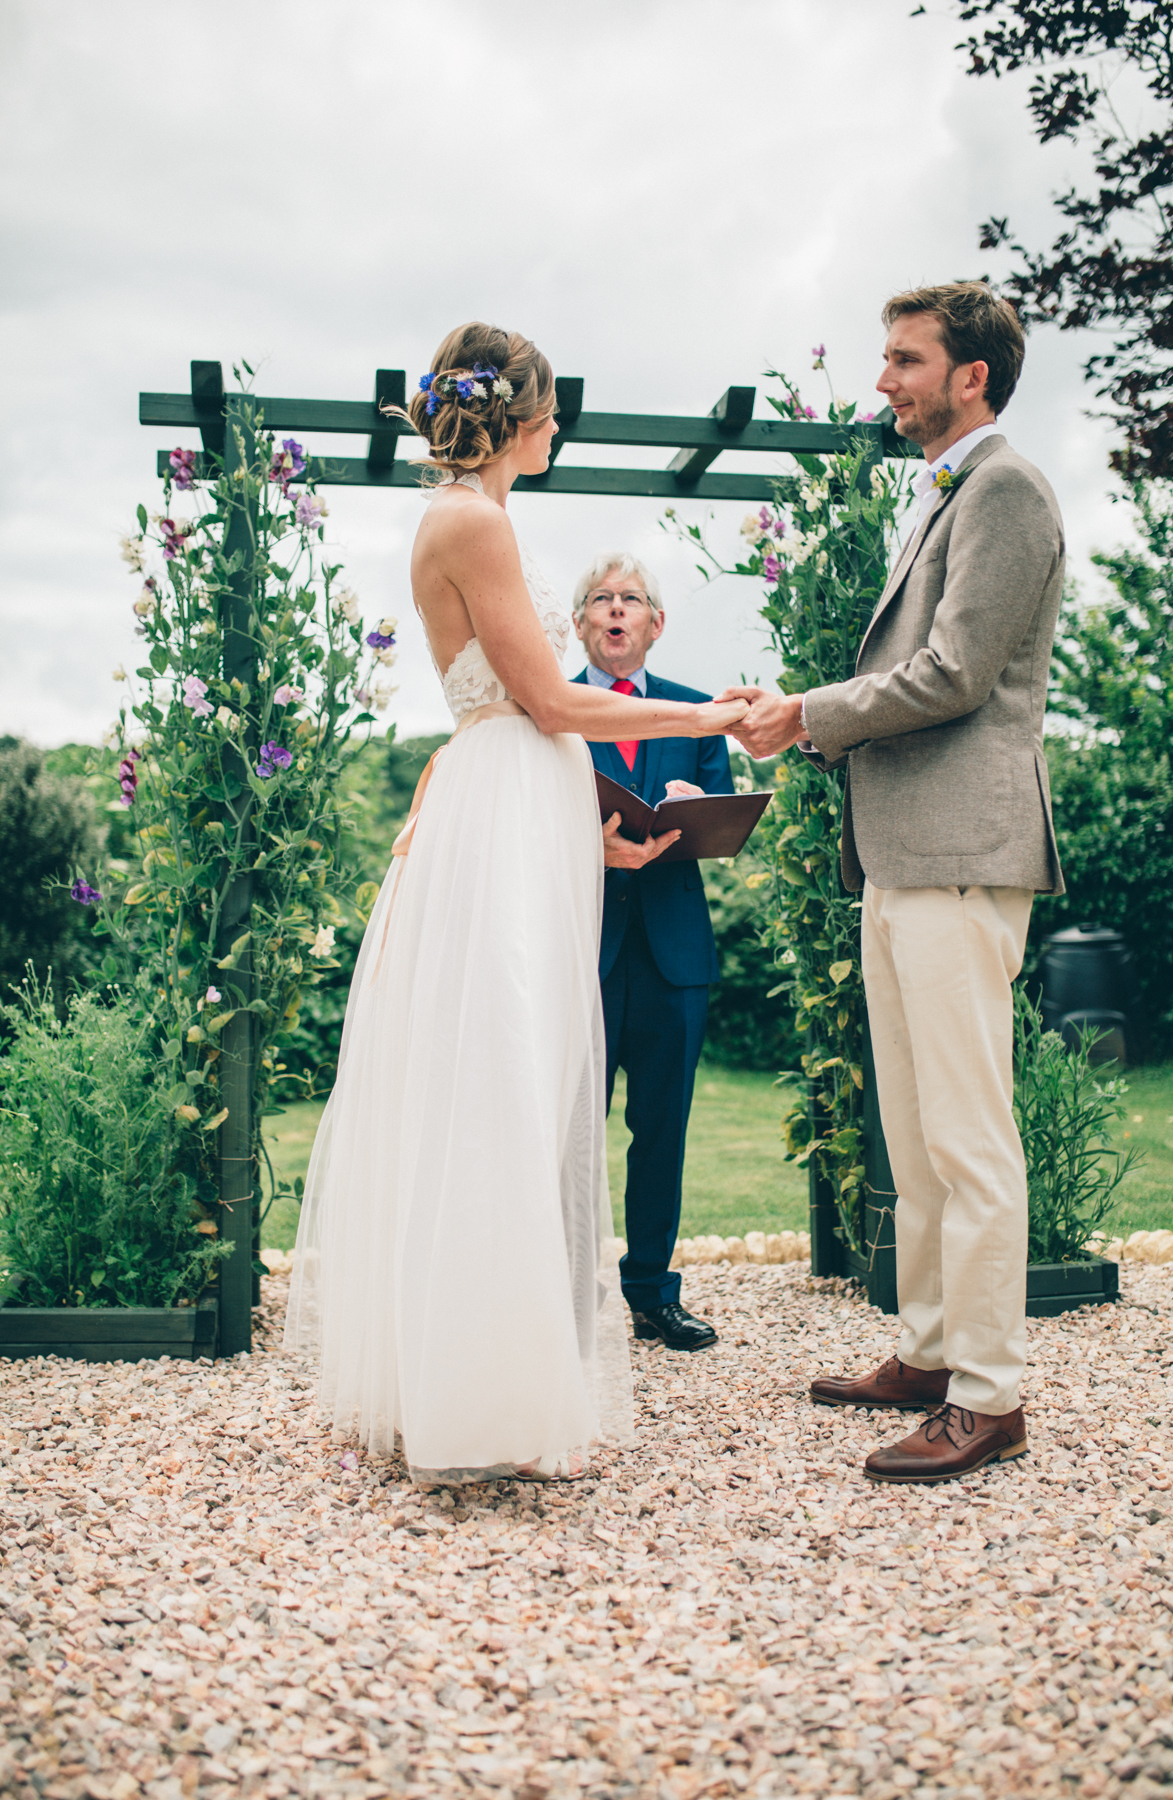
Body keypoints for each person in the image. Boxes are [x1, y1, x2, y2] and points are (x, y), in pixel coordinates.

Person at [283, 322, 745, 1487]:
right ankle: (479, 1395)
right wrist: (709, 719)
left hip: (519, 811)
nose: (558, 430)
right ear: (516, 416)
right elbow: (544, 700)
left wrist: (581, 821)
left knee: (518, 1078)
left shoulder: (480, 516)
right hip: (500, 811)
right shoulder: (472, 519)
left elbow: (513, 713)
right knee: (497, 1078)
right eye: (550, 413)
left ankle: (484, 1362)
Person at [720, 282, 1065, 1485]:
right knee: (916, 1135)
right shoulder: (948, 494)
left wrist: (806, 716)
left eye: (904, 360)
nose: (885, 381)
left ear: (971, 374)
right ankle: (928, 1354)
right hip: (907, 858)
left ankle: (989, 1395)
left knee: (969, 1137)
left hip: (965, 859)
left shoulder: (1008, 490)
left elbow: (957, 673)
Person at [571, 554, 733, 1352]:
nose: (615, 610)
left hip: (674, 956)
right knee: (571, 1134)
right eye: (600, 599)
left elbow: (719, 812)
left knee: (661, 1131)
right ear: (579, 623)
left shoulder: (696, 713)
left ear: (655, 623)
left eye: (630, 598)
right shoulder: (555, 712)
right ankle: (565, 1295)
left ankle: (652, 1295)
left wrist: (695, 811)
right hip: (581, 953)